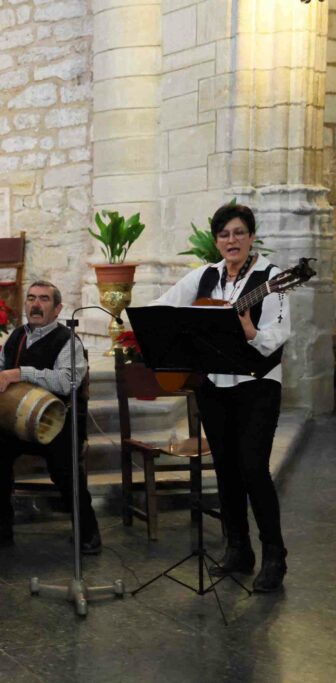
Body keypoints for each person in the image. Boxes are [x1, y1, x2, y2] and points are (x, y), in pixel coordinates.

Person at [153, 203, 291, 592]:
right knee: (227, 469)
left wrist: (249, 329)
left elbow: (277, 336)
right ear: (216, 241)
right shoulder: (204, 277)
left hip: (258, 385)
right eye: (224, 234)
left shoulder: (272, 278)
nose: (232, 240)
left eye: (239, 233)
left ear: (251, 237)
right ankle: (238, 549)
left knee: (253, 467)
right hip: (214, 385)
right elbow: (164, 308)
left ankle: (275, 555)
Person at [0, 280, 101, 554]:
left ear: (57, 309)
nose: (35, 304)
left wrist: (21, 373)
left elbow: (67, 382)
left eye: (43, 299)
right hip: (20, 422)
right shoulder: (17, 336)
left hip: (58, 421)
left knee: (64, 466)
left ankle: (87, 530)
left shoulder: (68, 341)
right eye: (31, 298)